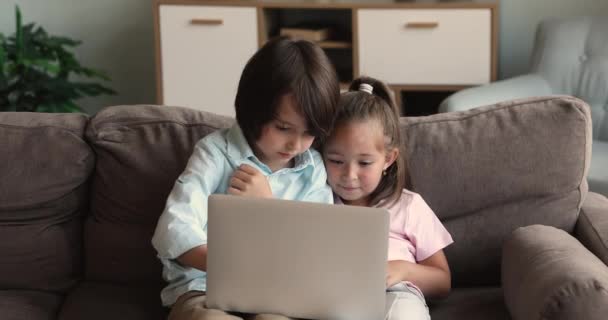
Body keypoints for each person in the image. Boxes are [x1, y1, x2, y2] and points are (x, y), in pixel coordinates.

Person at [152, 36, 340, 320]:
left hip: (278, 296)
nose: (296, 145)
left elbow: (314, 248)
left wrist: (266, 208)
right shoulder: (215, 153)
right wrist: (233, 266)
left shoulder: (312, 167)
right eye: (283, 128)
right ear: (255, 109)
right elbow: (174, 227)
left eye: (309, 132)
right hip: (204, 288)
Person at [322, 76, 453, 320]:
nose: (349, 175)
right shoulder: (317, 201)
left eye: (364, 162)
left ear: (388, 159)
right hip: (336, 298)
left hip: (396, 292)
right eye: (336, 161)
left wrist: (402, 270)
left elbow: (443, 282)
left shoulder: (408, 205)